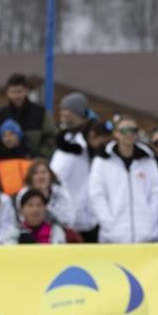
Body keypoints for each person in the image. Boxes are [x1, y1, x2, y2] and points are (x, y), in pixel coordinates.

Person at [88, 118, 158, 244]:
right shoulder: (102, 161)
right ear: (116, 133)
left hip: (146, 236)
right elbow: (96, 195)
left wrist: (150, 221)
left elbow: (157, 194)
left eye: (133, 130)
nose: (129, 134)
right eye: (124, 130)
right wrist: (108, 223)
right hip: (112, 238)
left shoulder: (148, 161)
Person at [50, 92, 101, 242]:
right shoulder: (66, 139)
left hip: (86, 216)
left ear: (76, 112)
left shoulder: (86, 140)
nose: (62, 113)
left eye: (66, 110)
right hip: (67, 215)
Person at [0, 73, 56, 158]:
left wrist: (41, 155)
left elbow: (52, 136)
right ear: (7, 93)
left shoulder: (40, 112)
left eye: (19, 92)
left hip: (35, 161)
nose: (16, 96)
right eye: (13, 92)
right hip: (7, 161)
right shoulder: (1, 113)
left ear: (26, 91)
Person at [19, 159, 74, 234]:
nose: (40, 176)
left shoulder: (61, 193)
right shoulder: (23, 194)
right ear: (31, 177)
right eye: (36, 173)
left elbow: (68, 221)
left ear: (50, 175)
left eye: (43, 172)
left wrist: (45, 199)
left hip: (58, 234)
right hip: (30, 234)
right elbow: (22, 219)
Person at [0, 119, 34, 196]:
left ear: (18, 135)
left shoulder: (30, 153)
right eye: (4, 136)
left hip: (28, 195)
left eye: (11, 134)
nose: (7, 139)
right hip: (6, 196)